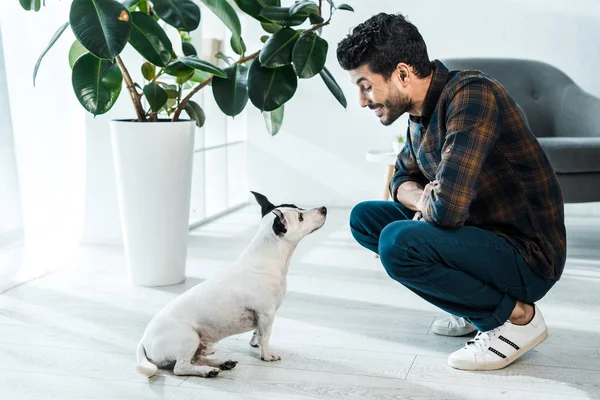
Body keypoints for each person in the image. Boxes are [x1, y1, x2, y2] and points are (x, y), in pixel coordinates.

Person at [336, 12, 567, 371]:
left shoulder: (472, 95)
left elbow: (447, 211)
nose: (362, 101)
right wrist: (420, 197)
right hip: (479, 237)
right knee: (365, 219)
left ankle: (516, 319)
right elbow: (400, 178)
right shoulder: (418, 112)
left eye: (366, 85)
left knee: (398, 242)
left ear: (402, 74)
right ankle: (472, 306)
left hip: (527, 256)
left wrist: (431, 200)